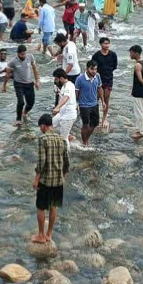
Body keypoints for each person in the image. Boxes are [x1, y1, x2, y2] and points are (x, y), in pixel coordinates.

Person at [31, 113, 70, 244]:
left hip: (45, 181)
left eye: (40, 127)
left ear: (43, 126)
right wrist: (63, 176)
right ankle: (49, 234)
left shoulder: (43, 139)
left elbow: (41, 162)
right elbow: (66, 161)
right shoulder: (61, 139)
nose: (40, 129)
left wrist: (36, 179)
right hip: (58, 181)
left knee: (40, 207)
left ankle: (41, 235)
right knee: (53, 206)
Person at [2, 44, 40, 124]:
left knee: (31, 103)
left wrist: (37, 80)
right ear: (18, 53)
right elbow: (7, 75)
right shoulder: (13, 61)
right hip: (19, 84)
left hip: (29, 83)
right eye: (22, 54)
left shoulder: (30, 57)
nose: (24, 56)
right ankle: (18, 119)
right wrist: (4, 86)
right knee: (21, 102)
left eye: (24, 54)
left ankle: (25, 112)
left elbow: (35, 69)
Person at [75, 60, 105, 147]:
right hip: (84, 105)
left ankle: (85, 140)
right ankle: (84, 143)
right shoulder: (79, 79)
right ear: (87, 68)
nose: (94, 71)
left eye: (95, 69)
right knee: (86, 124)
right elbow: (76, 92)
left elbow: (100, 88)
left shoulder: (97, 76)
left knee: (95, 123)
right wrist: (76, 104)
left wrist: (103, 101)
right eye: (92, 69)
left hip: (94, 104)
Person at [92, 37, 117, 126]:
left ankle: (104, 118)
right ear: (101, 44)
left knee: (106, 99)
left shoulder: (113, 55)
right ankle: (95, 118)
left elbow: (114, 66)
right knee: (96, 99)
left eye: (108, 43)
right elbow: (92, 68)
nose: (107, 45)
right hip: (98, 80)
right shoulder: (96, 55)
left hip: (108, 80)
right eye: (105, 43)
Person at [129, 45, 143, 139]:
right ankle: (140, 129)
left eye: (131, 53)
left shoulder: (138, 65)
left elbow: (140, 79)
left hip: (139, 92)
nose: (130, 55)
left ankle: (141, 132)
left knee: (139, 112)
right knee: (142, 111)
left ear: (135, 53)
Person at [51, 69, 77, 143]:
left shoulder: (69, 86)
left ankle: (66, 148)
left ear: (61, 78)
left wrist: (57, 107)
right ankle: (68, 136)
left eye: (56, 79)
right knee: (49, 126)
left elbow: (66, 97)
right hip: (62, 113)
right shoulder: (63, 86)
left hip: (68, 116)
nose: (55, 81)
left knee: (63, 139)